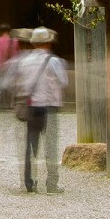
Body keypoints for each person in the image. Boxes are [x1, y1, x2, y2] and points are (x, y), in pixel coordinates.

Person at [14, 27, 68, 194]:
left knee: (31, 146)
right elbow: (63, 81)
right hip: (49, 107)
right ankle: (51, 184)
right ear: (48, 42)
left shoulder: (24, 61)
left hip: (31, 107)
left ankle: (29, 183)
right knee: (51, 146)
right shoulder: (54, 61)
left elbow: (20, 84)